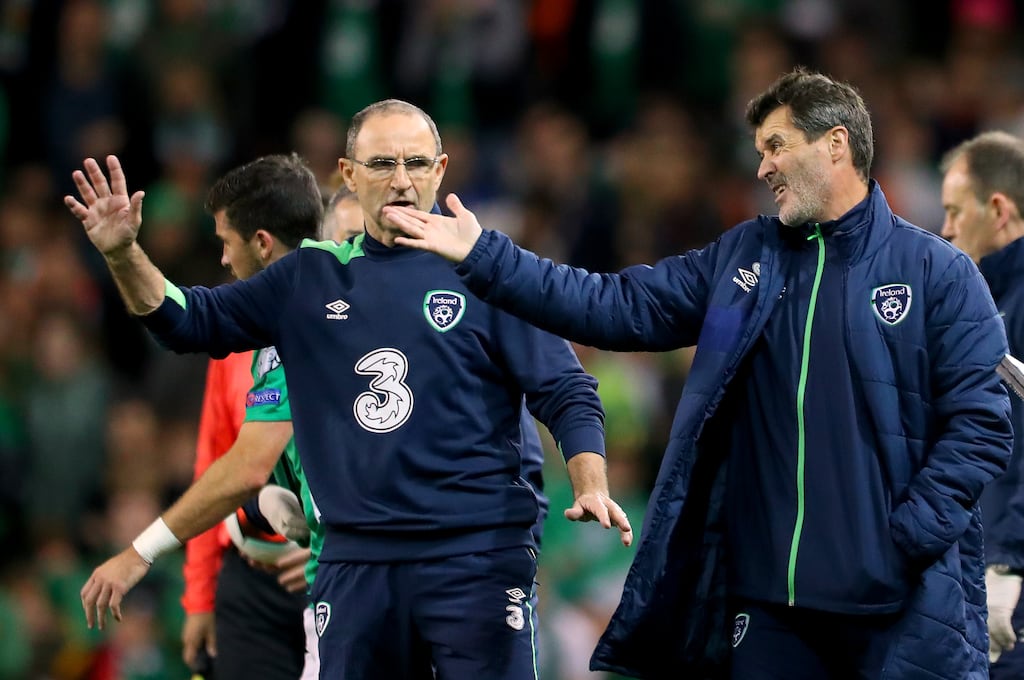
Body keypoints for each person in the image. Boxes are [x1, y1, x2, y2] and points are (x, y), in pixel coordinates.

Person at [386, 67, 1015, 679]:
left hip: (892, 608)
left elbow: (982, 424)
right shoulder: (746, 256)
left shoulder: (938, 272)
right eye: (759, 150)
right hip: (769, 608)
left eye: (776, 145)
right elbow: (613, 305)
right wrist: (483, 255)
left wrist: (902, 540)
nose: (762, 166)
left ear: (836, 143)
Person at [66, 98, 632, 680]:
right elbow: (187, 319)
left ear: (440, 172)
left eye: (416, 163)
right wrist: (122, 252)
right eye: (383, 163)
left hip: (476, 558)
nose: (402, 180)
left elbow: (566, 389)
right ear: (348, 174)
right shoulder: (309, 278)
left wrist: (591, 482)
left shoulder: (489, 270)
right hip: (357, 563)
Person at [79, 153, 324, 678]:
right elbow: (184, 319)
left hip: (367, 575)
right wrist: (123, 252)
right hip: (315, 567)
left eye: (226, 243)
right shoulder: (286, 309)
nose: (221, 260)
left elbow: (245, 467)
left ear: (262, 243)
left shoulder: (306, 322)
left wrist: (138, 554)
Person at [939, 130, 1024, 676]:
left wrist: (1008, 561)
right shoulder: (981, 306)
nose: (944, 229)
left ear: (997, 209)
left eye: (954, 211)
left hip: (1010, 584)